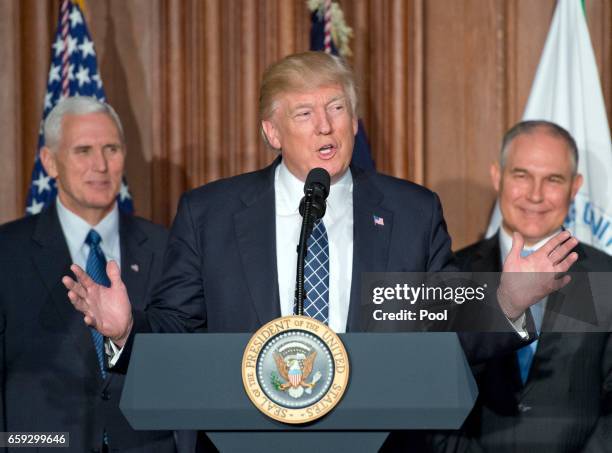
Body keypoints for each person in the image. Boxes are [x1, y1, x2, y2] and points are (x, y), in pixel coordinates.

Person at [62, 53, 578, 450]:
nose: (325, 126)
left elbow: (441, 329)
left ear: (354, 121)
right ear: (272, 131)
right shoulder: (211, 214)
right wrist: (127, 331)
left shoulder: (411, 212)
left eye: (337, 108)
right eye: (304, 113)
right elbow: (178, 330)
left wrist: (507, 302)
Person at [0, 97, 176, 452]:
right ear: (50, 162)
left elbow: (181, 358)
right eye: (83, 150)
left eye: (111, 148)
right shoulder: (6, 252)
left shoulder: (168, 247)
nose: (101, 165)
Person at [449, 120, 612, 452]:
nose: (535, 195)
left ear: (575, 186)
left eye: (553, 179)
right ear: (498, 176)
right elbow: (430, 387)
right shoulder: (451, 272)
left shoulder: (607, 276)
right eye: (521, 175)